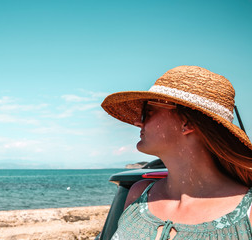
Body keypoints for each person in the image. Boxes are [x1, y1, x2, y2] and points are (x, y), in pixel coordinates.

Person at [101, 66, 252, 239]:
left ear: (187, 123)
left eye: (147, 112)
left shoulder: (248, 212)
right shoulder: (138, 194)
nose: (137, 122)